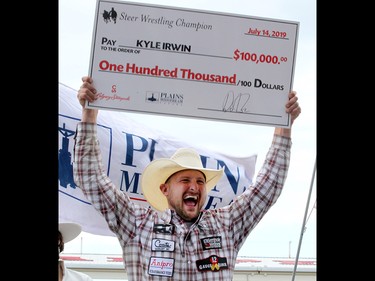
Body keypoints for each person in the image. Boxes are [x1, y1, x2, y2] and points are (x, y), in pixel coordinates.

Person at [73, 76, 301, 280]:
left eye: (200, 181)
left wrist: (284, 127)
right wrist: (89, 114)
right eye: (185, 180)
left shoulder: (226, 224)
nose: (194, 186)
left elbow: (267, 187)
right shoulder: (137, 223)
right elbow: (91, 179)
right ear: (164, 189)